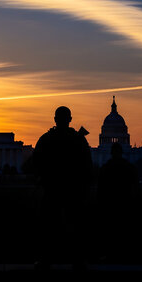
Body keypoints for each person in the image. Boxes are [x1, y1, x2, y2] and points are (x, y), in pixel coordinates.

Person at [32, 106, 92, 271]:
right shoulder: (78, 139)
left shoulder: (47, 138)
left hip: (52, 188)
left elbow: (35, 162)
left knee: (48, 226)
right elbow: (87, 165)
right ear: (70, 119)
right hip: (73, 190)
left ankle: (46, 259)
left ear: (55, 120)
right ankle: (78, 260)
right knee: (76, 225)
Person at [96, 142, 139, 261]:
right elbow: (136, 188)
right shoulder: (129, 167)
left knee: (110, 232)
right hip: (125, 204)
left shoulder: (105, 168)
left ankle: (110, 255)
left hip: (110, 205)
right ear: (121, 152)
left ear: (111, 153)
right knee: (123, 232)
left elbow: (100, 189)